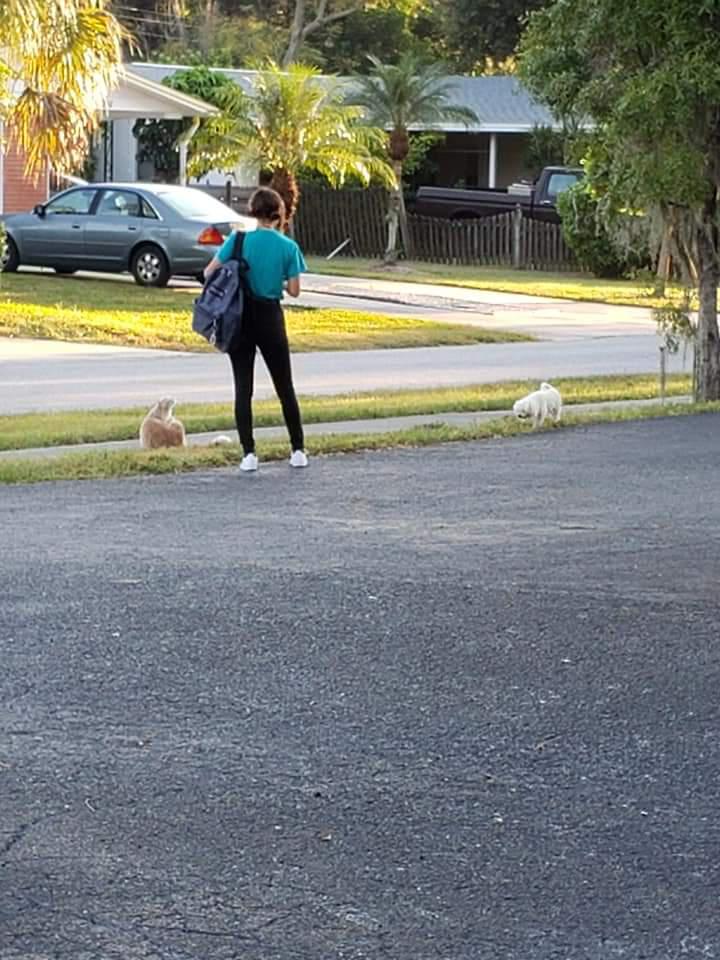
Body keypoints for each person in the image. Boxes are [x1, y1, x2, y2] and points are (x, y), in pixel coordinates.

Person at [204, 187, 308, 472]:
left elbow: (209, 271)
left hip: (239, 316)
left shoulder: (237, 241)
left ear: (252, 211)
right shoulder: (288, 247)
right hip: (270, 316)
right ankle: (297, 449)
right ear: (278, 214)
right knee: (284, 385)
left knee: (243, 387)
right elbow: (295, 290)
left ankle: (248, 453)